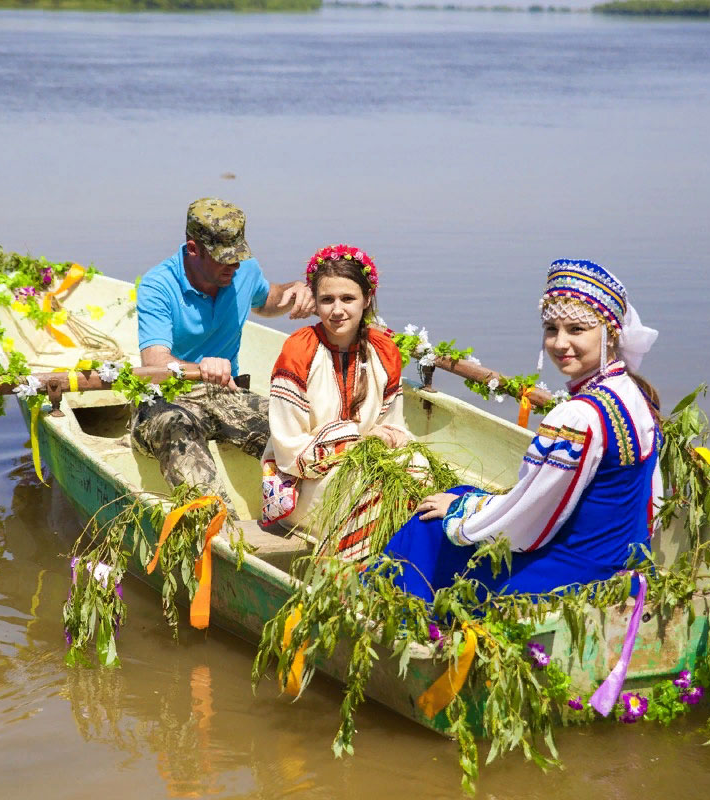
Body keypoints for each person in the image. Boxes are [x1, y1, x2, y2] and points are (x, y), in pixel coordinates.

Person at [382, 259, 662, 600]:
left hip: (576, 577)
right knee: (459, 492)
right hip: (621, 565)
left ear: (611, 334)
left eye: (576, 330)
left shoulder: (577, 417)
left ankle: (397, 609)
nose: (560, 343)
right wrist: (468, 501)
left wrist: (461, 514)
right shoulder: (635, 395)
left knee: (430, 526)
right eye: (551, 329)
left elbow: (531, 524)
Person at [132, 198, 314, 512]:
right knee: (177, 429)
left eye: (238, 256)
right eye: (223, 258)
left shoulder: (244, 271)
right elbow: (155, 363)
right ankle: (220, 531)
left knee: (292, 423)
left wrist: (294, 292)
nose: (234, 266)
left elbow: (266, 299)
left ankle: (314, 508)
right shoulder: (158, 285)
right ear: (193, 249)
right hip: (168, 400)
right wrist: (201, 367)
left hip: (227, 394)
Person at [260, 244, 422, 561]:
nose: (337, 310)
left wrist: (389, 442)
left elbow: (393, 426)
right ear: (316, 304)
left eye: (348, 299)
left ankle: (407, 572)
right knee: (361, 489)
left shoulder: (385, 350)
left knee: (418, 470)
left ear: (367, 300)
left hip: (367, 465)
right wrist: (358, 441)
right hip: (303, 481)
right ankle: (346, 580)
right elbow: (289, 449)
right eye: (327, 300)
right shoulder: (298, 351)